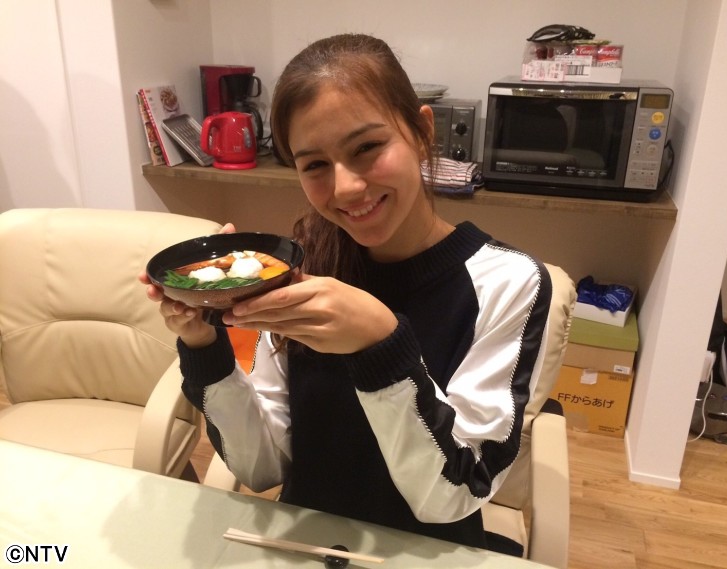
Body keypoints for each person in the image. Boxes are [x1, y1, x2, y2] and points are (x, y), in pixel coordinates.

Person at [140, 33, 552, 556]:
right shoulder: (304, 267)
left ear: (422, 132)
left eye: (367, 148)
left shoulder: (509, 282)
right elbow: (262, 466)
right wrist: (204, 344)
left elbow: (453, 494)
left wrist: (381, 346)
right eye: (314, 165)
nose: (346, 188)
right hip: (305, 545)